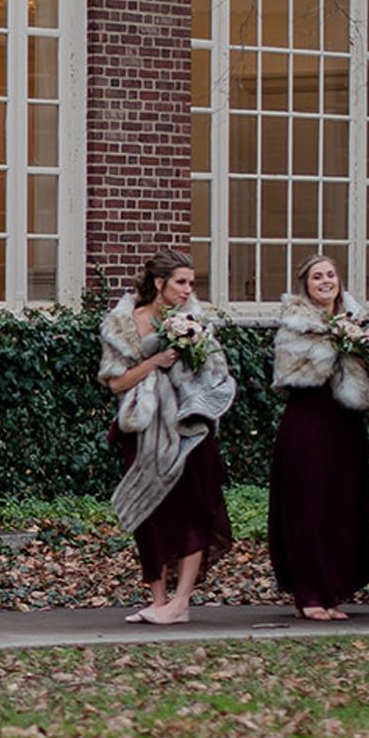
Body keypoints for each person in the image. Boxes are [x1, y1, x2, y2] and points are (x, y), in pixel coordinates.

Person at [100, 250, 236, 625]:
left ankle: (181, 601)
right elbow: (116, 383)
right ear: (159, 283)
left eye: (191, 283)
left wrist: (191, 361)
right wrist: (154, 363)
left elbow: (215, 374)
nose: (187, 289)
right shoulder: (124, 324)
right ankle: (158, 599)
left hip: (187, 426)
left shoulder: (195, 320)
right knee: (150, 512)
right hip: (142, 426)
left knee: (195, 507)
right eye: (180, 282)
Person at [268, 253, 369, 621]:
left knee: (341, 506)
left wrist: (359, 347)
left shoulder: (356, 319)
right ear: (306, 284)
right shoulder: (294, 324)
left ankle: (334, 591)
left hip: (345, 424)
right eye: (317, 276)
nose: (325, 281)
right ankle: (310, 593)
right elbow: (290, 375)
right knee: (309, 507)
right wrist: (335, 344)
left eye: (330, 275)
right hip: (308, 423)